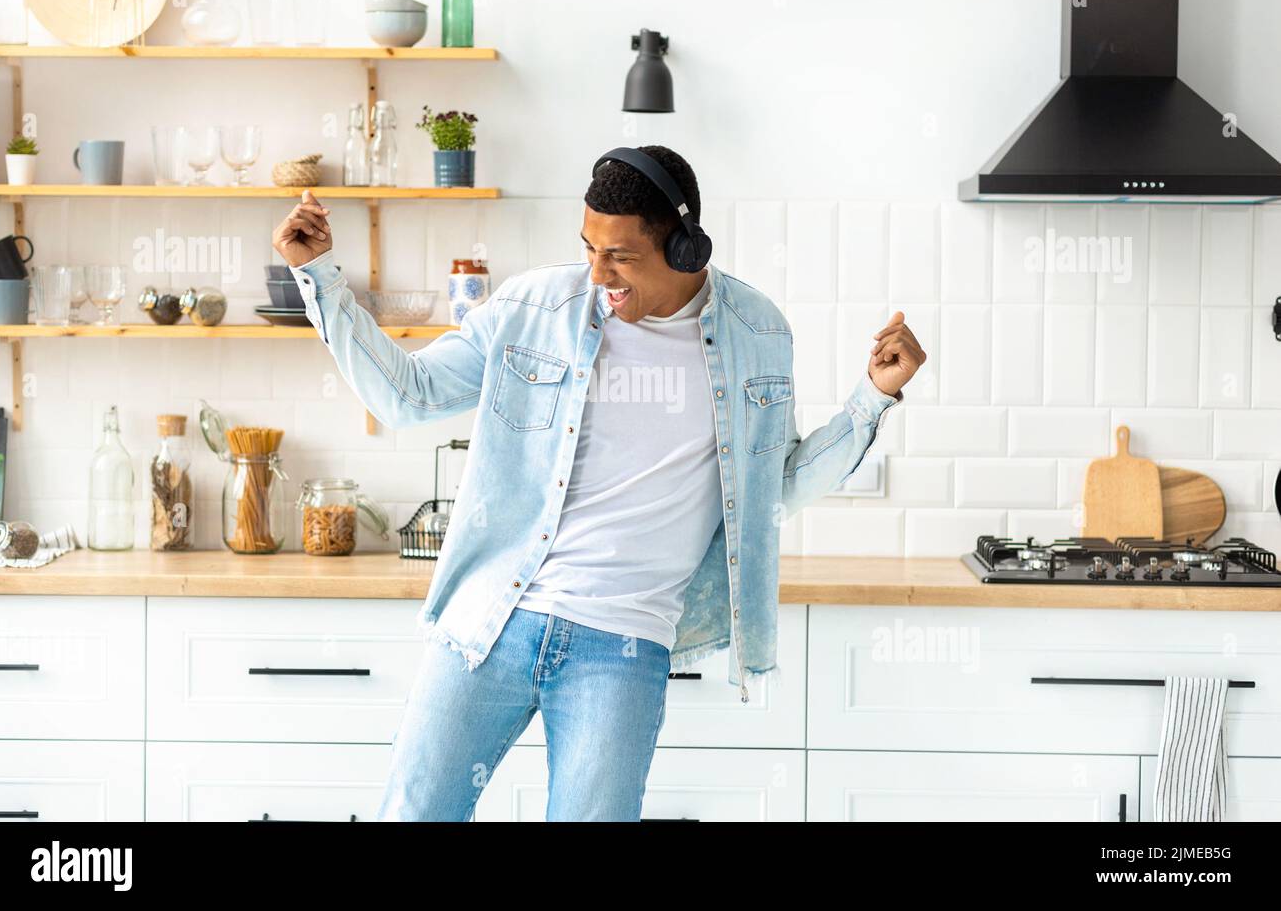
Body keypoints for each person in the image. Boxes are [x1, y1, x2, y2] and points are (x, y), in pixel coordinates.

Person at [271, 144, 926, 821]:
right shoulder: (535, 307)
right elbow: (407, 395)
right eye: (588, 248)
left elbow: (777, 487)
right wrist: (317, 275)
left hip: (621, 645)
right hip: (494, 618)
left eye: (619, 255)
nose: (597, 273)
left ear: (682, 248)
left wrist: (872, 397)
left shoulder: (755, 334)